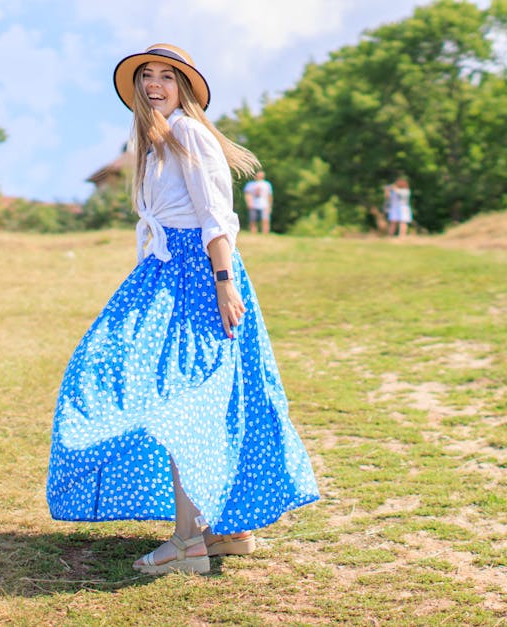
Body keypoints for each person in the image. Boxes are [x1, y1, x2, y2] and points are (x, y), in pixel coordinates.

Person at [46, 44, 320, 576]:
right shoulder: (154, 141)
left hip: (197, 278)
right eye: (146, 76)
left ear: (184, 87)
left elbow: (217, 216)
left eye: (166, 76)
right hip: (165, 274)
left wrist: (223, 284)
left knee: (177, 399)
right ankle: (224, 530)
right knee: (186, 395)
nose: (154, 83)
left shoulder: (190, 133)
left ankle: (189, 544)